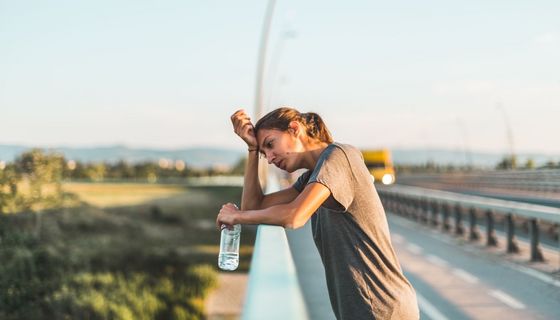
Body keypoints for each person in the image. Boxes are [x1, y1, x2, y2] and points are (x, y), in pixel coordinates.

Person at [216, 107, 419, 320]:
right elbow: (254, 206)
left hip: (381, 307)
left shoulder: (339, 156)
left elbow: (294, 216)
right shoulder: (312, 178)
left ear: (294, 129)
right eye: (263, 153)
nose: (269, 157)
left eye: (270, 144)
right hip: (364, 308)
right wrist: (251, 149)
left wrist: (237, 217)